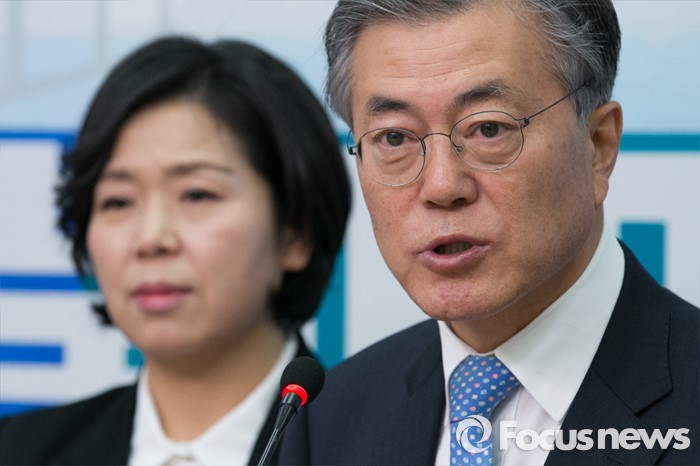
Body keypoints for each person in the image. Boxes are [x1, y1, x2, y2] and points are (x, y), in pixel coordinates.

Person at [279, 1, 699, 465]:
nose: (442, 186)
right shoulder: (326, 421)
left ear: (599, 146)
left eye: (489, 128)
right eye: (394, 138)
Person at [0, 36, 350, 465]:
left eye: (196, 195)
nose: (151, 239)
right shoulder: (20, 450)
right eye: (118, 201)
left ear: (296, 233)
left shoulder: (374, 445)